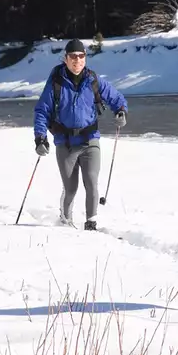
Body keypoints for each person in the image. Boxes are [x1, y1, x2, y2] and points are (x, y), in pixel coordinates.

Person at [32, 39, 128, 231]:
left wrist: (121, 111)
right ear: (65, 59)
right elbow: (42, 111)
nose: (77, 60)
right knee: (71, 188)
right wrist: (40, 137)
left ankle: (91, 223)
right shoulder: (56, 84)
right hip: (65, 143)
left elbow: (116, 98)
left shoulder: (93, 80)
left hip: (90, 139)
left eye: (81, 56)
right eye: (73, 57)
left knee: (91, 181)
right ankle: (66, 221)